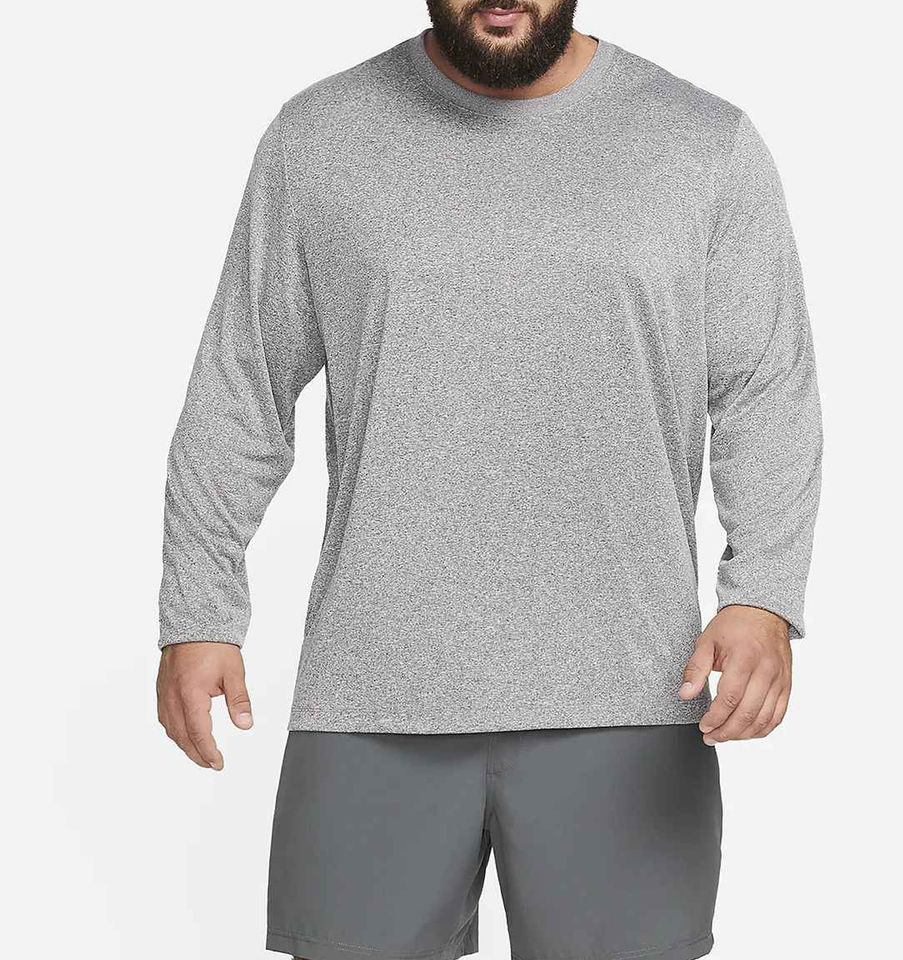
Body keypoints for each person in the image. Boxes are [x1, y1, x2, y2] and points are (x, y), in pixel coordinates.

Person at [156, 2, 822, 958]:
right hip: (373, 689)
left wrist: (762, 595)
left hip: (629, 691)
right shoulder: (320, 140)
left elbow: (766, 387)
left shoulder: (703, 144)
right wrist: (199, 610)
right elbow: (241, 386)